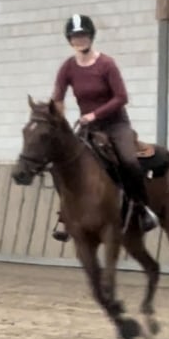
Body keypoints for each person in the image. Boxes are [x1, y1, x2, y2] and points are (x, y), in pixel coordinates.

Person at [50, 13, 159, 242]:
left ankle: (141, 209)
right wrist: (59, 122)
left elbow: (121, 97)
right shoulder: (67, 68)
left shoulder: (106, 64)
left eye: (83, 36)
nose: (80, 40)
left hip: (115, 124)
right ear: (69, 40)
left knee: (129, 161)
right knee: (60, 165)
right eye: (75, 37)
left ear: (91, 37)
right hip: (88, 128)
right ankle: (67, 214)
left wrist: (94, 114)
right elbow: (58, 97)